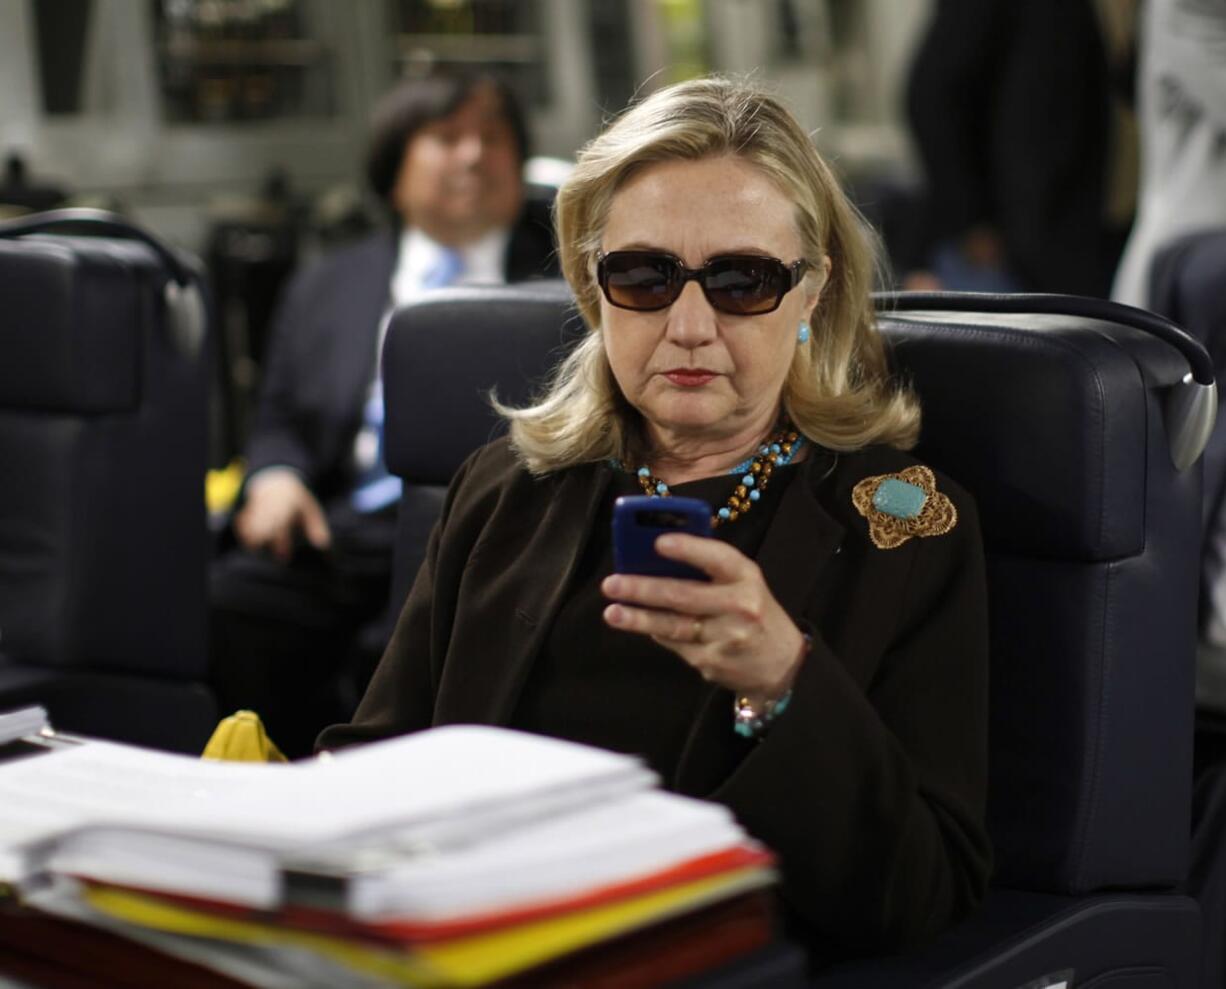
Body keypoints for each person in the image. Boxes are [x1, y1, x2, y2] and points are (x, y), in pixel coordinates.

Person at [319, 76, 991, 959]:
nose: (688, 326)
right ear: (593, 289)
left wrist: (782, 680)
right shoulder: (504, 487)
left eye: (742, 281)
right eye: (644, 275)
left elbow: (923, 888)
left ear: (812, 292)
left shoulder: (906, 526)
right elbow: (374, 761)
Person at [210, 71, 558, 758]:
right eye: (446, 136)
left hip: (490, 534)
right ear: (393, 163)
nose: (472, 156)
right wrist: (276, 474)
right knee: (224, 603)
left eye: (492, 138)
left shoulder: (564, 280)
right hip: (337, 529)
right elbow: (278, 413)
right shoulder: (328, 283)